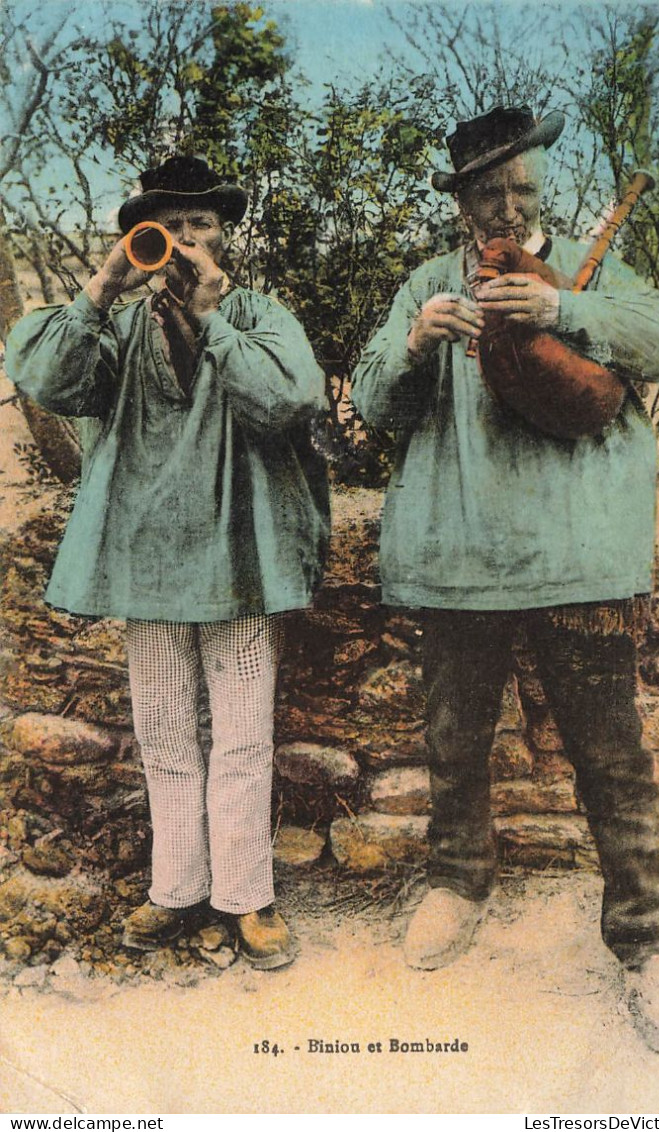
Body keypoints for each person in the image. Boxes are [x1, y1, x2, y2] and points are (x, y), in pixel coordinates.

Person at [351, 106, 659, 1054]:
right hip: (457, 557)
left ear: (543, 188)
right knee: (456, 742)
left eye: (524, 188)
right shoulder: (426, 283)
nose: (509, 205)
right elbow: (374, 402)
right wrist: (418, 340)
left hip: (578, 555)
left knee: (611, 755)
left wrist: (562, 309)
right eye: (490, 190)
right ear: (462, 201)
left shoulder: (591, 266)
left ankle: (650, 937)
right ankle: (457, 884)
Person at [6, 155, 329, 969]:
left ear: (225, 235)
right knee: (163, 737)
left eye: (202, 225)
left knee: (245, 740)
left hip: (240, 556)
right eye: (168, 227)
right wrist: (103, 285)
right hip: (147, 562)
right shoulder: (112, 324)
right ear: (144, 237)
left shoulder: (257, 313)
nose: (187, 241)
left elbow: (292, 395)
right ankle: (176, 890)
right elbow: (44, 377)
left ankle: (248, 898)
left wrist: (214, 318)